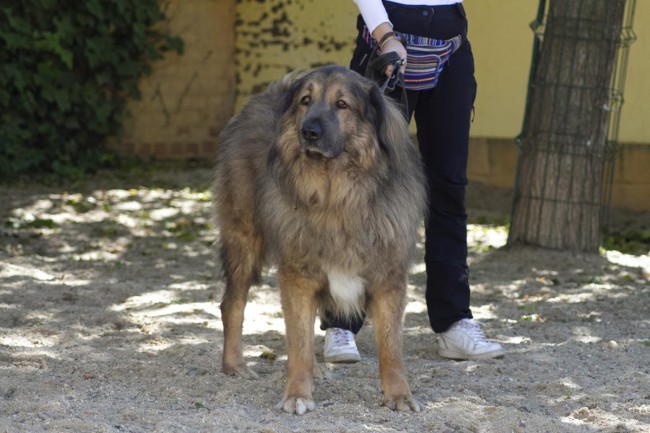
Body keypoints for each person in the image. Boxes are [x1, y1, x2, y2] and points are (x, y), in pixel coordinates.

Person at [321, 0, 506, 363]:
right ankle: (341, 322)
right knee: (359, 189)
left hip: (451, 44)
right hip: (386, 42)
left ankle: (454, 321)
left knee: (448, 188)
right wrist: (384, 34)